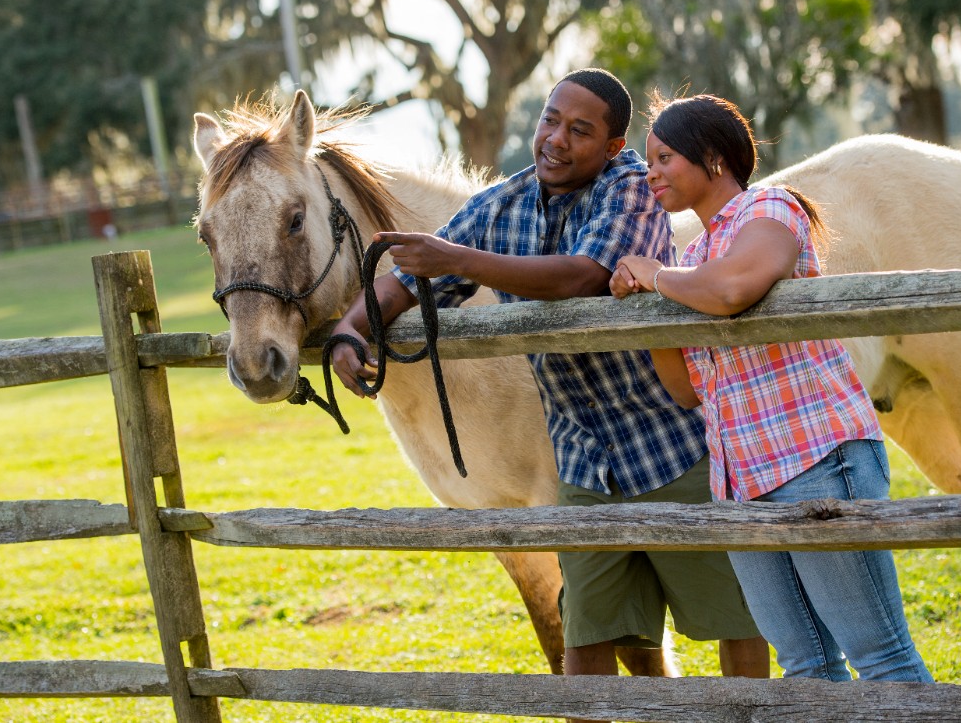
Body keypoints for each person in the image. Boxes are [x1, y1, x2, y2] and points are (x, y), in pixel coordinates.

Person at [329, 70, 768, 705]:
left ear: (614, 147)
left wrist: (458, 259)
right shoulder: (502, 204)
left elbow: (582, 278)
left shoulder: (632, 189)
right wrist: (350, 329)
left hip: (669, 445)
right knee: (585, 639)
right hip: (582, 462)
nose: (556, 139)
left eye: (580, 131)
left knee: (736, 618)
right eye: (550, 120)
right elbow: (401, 281)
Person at [610, 92, 932, 683]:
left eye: (663, 158)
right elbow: (686, 390)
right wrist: (647, 306)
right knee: (804, 665)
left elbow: (734, 289)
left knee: (880, 655)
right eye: (648, 161)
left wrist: (655, 275)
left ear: (712, 158)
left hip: (816, 458)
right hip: (739, 479)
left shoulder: (770, 208)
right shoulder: (693, 257)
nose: (650, 173)